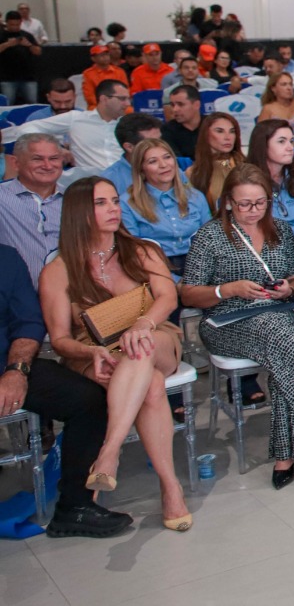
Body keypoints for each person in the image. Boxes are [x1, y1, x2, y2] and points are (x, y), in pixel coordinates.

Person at [181, 164, 294, 490]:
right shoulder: (210, 236)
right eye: (244, 204)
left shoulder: (279, 230)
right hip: (226, 322)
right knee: (282, 335)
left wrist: (288, 289)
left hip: (277, 314)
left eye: (260, 202)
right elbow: (188, 293)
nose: (253, 210)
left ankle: (285, 457)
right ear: (228, 202)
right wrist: (228, 289)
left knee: (284, 356)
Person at [37, 178, 191, 530]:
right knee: (151, 385)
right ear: (78, 213)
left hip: (155, 335)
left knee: (141, 348)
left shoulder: (142, 250)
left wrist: (143, 324)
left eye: (115, 201)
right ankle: (171, 488)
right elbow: (59, 340)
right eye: (101, 203)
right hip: (94, 350)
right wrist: (89, 351)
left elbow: (168, 297)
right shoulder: (58, 271)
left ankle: (109, 451)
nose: (113, 209)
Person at [1, 242, 132, 538]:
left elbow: (27, 322)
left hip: (6, 363)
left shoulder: (6, 257)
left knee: (88, 399)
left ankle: (75, 506)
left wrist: (16, 371)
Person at [120, 139, 211, 276]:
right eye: (153, 161)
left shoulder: (196, 196)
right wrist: (172, 281)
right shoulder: (127, 203)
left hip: (199, 264)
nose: (163, 165)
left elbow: (211, 239)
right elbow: (132, 251)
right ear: (141, 169)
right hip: (154, 268)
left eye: (167, 157)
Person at [5, 78, 129, 173]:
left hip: (127, 179)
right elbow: (25, 130)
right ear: (104, 99)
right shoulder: (77, 118)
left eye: (128, 99)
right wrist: (56, 148)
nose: (127, 103)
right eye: (122, 99)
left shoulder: (129, 124)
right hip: (89, 181)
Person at [0, 134, 67, 284]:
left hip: (71, 292)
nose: (47, 166)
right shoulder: (2, 197)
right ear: (16, 163)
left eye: (54, 158)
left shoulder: (75, 199)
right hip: (15, 293)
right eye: (37, 159)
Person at [248, 119, 294, 235]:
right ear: (262, 145)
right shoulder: (247, 182)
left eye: (291, 141)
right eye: (281, 141)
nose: (290, 147)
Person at [188, 112, 245, 214]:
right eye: (220, 131)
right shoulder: (192, 173)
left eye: (232, 131)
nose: (228, 137)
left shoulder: (246, 165)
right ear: (206, 134)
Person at [97, 113, 163, 194]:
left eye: (160, 140)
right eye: (151, 143)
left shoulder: (170, 167)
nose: (160, 147)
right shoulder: (110, 180)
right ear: (129, 147)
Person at [0, 9, 43, 105]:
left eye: (17, 24)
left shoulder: (27, 35)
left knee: (32, 102)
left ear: (20, 22)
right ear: (6, 23)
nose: (15, 27)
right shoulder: (1, 35)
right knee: (8, 103)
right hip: (7, 77)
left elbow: (38, 52)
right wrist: (7, 44)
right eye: (12, 25)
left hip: (28, 76)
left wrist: (29, 45)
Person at [158, 85, 203, 160]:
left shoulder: (211, 125)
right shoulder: (167, 130)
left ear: (196, 105)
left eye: (180, 104)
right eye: (172, 105)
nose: (175, 109)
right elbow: (176, 160)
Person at [81, 45, 128, 110]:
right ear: (93, 58)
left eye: (107, 54)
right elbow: (89, 96)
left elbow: (125, 90)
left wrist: (115, 103)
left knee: (130, 110)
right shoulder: (88, 74)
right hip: (97, 105)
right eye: (102, 55)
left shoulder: (119, 71)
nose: (105, 57)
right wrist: (106, 104)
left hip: (119, 104)